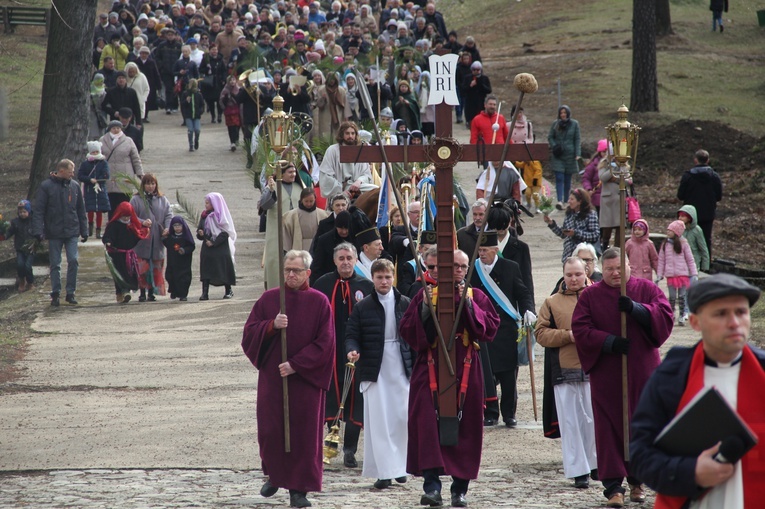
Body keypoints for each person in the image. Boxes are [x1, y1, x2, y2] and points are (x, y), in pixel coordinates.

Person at [630, 274, 763, 509]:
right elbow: (641, 455)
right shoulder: (670, 377)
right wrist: (690, 472)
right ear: (695, 322)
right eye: (721, 314)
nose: (734, 322)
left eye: (741, 312)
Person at [571, 247, 674, 508]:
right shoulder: (590, 295)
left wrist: (637, 309)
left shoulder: (647, 288)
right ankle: (613, 486)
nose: (615, 273)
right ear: (599, 270)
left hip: (641, 370)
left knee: (641, 424)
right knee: (608, 428)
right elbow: (581, 328)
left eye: (619, 268)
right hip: (607, 374)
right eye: (609, 270)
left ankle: (638, 481)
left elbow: (664, 315)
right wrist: (609, 343)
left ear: (629, 266)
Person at [401, 249, 500, 508]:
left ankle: (459, 490)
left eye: (462, 266)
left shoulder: (475, 295)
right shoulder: (425, 294)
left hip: (466, 368)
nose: (457, 270)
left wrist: (466, 305)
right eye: (452, 265)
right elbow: (408, 332)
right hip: (429, 367)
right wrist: (425, 308)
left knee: (466, 428)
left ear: (467, 269)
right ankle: (432, 487)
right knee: (426, 425)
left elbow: (489, 327)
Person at [241, 250, 335, 509]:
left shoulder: (319, 302)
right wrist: (271, 326)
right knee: (272, 430)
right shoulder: (270, 299)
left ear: (308, 272)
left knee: (304, 435)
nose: (291, 275)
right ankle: (275, 474)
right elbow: (249, 333)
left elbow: (326, 343)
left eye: (296, 270)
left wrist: (296, 364)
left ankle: (298, 490)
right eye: (287, 270)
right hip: (273, 378)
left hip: (305, 381)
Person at [345, 258, 412, 489]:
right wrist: (353, 349)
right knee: (380, 420)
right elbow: (352, 333)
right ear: (372, 279)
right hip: (375, 365)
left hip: (400, 365)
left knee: (402, 418)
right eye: (379, 277)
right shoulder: (363, 306)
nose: (384, 281)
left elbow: (414, 334)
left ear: (393, 278)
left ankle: (400, 467)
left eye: (388, 277)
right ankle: (384, 471)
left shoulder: (405, 302)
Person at [536, 257, 597, 489]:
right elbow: (540, 334)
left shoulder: (599, 296)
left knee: (593, 420)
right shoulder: (552, 302)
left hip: (595, 367)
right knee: (571, 423)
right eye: (569, 274)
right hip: (565, 368)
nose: (573, 279)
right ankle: (578, 470)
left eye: (578, 274)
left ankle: (595, 464)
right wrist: (568, 335)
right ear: (563, 274)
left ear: (586, 273)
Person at [313, 242, 374, 469]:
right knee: (332, 397)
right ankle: (333, 440)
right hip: (329, 351)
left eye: (349, 258)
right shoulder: (322, 284)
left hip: (357, 352)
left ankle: (350, 449)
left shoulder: (366, 286)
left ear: (356, 259)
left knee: (355, 401)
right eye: (341, 258)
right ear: (335, 261)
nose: (346, 262)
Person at [469, 231, 535, 428]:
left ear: (496, 250)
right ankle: (490, 412)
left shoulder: (510, 267)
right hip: (483, 328)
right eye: (479, 250)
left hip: (506, 328)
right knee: (486, 373)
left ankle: (508, 413)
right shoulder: (473, 270)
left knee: (508, 375)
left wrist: (528, 310)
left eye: (486, 250)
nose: (482, 254)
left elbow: (522, 293)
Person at [31, 159, 88, 307]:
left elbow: (81, 210)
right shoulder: (46, 187)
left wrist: (84, 230)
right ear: (61, 171)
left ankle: (71, 292)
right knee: (55, 264)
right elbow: (39, 211)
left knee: (73, 260)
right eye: (70, 171)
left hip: (72, 231)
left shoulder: (74, 186)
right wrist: (38, 231)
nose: (73, 174)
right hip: (54, 231)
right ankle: (55, 292)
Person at [130, 174, 173, 302]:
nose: (150, 186)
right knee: (142, 266)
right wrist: (142, 222)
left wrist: (167, 228)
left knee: (156, 265)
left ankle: (152, 292)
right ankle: (142, 291)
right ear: (143, 185)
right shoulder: (136, 199)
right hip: (142, 239)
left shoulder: (162, 199)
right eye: (148, 184)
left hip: (157, 239)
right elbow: (131, 216)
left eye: (153, 183)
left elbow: (169, 215)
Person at [263, 163, 305, 290]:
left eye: (294, 172)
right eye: (289, 172)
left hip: (296, 231)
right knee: (275, 262)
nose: (293, 174)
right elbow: (264, 206)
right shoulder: (272, 186)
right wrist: (270, 191)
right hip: (276, 232)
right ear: (282, 174)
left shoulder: (299, 187)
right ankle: (275, 290)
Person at [677, 149, 722, 257]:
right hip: (707, 213)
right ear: (708, 160)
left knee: (687, 238)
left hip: (689, 215)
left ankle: (687, 261)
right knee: (706, 239)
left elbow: (680, 195)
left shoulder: (687, 176)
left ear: (695, 160)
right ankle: (705, 265)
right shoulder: (714, 176)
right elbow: (719, 196)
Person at [102, 202, 150, 303]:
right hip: (117, 254)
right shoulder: (114, 225)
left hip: (129, 255)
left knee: (129, 273)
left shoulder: (132, 224)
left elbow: (137, 234)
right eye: (124, 216)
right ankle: (122, 292)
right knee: (119, 274)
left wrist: (145, 231)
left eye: (128, 216)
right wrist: (108, 242)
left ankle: (126, 291)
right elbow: (107, 235)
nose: (126, 218)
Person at [656, 220, 698, 326]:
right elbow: (661, 260)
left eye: (670, 230)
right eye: (668, 230)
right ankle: (671, 314)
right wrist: (659, 274)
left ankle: (682, 314)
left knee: (682, 295)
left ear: (677, 232)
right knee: (672, 296)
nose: (668, 232)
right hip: (670, 275)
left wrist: (694, 273)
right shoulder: (665, 244)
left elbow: (690, 259)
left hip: (683, 275)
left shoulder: (684, 243)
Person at [318, 122, 373, 201]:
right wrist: (341, 190)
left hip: (359, 187)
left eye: (352, 133)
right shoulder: (332, 150)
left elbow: (366, 174)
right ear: (342, 134)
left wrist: (358, 182)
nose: (350, 136)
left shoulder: (359, 150)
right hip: (340, 189)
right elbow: (326, 175)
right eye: (347, 133)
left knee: (376, 190)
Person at [196, 192, 236, 300]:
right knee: (206, 269)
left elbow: (226, 232)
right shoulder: (204, 216)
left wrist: (214, 242)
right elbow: (200, 230)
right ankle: (205, 292)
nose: (206, 205)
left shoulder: (221, 216)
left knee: (223, 268)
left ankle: (228, 290)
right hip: (207, 248)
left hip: (220, 248)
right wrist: (200, 233)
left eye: (208, 203)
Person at [101, 120, 143, 218]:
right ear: (109, 129)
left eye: (118, 128)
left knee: (125, 204)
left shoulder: (128, 140)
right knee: (111, 206)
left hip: (125, 176)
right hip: (109, 176)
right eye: (113, 128)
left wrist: (140, 173)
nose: (116, 130)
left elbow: (135, 158)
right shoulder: (102, 140)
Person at [544, 188, 600, 262]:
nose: (569, 201)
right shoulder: (569, 215)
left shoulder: (591, 215)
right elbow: (563, 234)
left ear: (580, 201)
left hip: (584, 257)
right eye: (569, 199)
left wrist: (576, 233)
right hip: (568, 256)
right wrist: (551, 224)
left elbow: (594, 235)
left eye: (572, 199)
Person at [678, 204, 710, 322]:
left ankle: (693, 310)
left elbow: (703, 248)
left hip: (693, 265)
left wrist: (705, 265)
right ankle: (684, 311)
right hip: (681, 266)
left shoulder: (697, 231)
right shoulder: (678, 229)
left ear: (690, 217)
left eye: (684, 216)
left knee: (691, 289)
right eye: (679, 216)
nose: (681, 218)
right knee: (682, 291)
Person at [510, 106, 544, 212]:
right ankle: (516, 196)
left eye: (520, 112)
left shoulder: (528, 124)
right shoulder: (509, 124)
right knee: (515, 175)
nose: (519, 114)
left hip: (525, 152)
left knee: (525, 175)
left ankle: (525, 196)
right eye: (517, 112)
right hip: (513, 152)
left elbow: (530, 137)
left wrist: (526, 145)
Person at [547, 105, 581, 209]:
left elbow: (577, 139)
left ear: (568, 113)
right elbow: (550, 136)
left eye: (565, 113)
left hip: (570, 155)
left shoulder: (574, 124)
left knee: (567, 178)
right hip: (558, 155)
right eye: (561, 113)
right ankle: (559, 200)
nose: (563, 115)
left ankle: (566, 200)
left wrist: (577, 153)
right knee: (559, 177)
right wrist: (554, 146)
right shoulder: (555, 124)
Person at [310, 210, 354, 285]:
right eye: (341, 228)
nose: (344, 232)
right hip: (329, 281)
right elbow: (317, 266)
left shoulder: (355, 238)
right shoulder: (324, 240)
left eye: (346, 228)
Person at [77, 141, 111, 239]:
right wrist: (89, 180)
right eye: (93, 152)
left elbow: (106, 174)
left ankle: (98, 230)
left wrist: (99, 180)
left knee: (99, 210)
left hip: (100, 189)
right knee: (90, 209)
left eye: (96, 152)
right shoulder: (85, 164)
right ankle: (90, 228)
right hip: (89, 189)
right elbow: (80, 175)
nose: (95, 154)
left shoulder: (103, 163)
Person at [598, 156, 631, 251]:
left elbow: (629, 181)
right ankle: (604, 247)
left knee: (620, 227)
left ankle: (617, 250)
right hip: (607, 201)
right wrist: (614, 169)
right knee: (606, 228)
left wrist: (615, 179)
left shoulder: (624, 165)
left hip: (620, 200)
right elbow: (603, 177)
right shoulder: (604, 164)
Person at [2, 200, 35, 292]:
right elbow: (10, 231)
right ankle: (21, 280)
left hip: (30, 247)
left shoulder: (33, 221)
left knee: (28, 266)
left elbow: (38, 232)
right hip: (20, 247)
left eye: (24, 212)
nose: (22, 214)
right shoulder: (16, 222)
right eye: (20, 212)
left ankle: (30, 282)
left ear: (28, 211)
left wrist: (38, 239)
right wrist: (4, 236)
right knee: (20, 265)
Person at [283, 188, 329, 253]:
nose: (309, 204)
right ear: (301, 200)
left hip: (317, 249)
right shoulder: (291, 215)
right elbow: (287, 237)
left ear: (315, 200)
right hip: (298, 249)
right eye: (306, 201)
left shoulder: (324, 215)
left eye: (311, 201)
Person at [162, 216, 196, 302]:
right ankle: (174, 291)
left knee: (183, 280)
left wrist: (184, 250)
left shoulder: (186, 237)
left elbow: (191, 246)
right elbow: (165, 242)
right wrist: (164, 236)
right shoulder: (171, 237)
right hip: (172, 263)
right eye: (175, 226)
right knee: (170, 277)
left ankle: (183, 295)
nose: (177, 228)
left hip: (183, 264)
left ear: (183, 226)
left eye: (179, 225)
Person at [460, 61, 491, 129]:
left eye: (478, 70)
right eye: (474, 69)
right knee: (472, 124)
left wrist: (480, 84)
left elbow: (489, 90)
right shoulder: (467, 78)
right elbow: (463, 90)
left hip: (481, 103)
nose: (476, 71)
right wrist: (470, 85)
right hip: (470, 103)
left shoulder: (484, 78)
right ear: (471, 70)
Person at [581, 138, 607, 214]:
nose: (606, 154)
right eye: (604, 152)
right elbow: (586, 178)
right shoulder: (593, 165)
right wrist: (588, 189)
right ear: (600, 152)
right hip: (598, 196)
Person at [180, 78, 205, 151]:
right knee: (190, 130)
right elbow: (182, 105)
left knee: (197, 130)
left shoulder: (199, 94)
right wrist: (186, 101)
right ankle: (191, 144)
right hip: (188, 115)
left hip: (196, 115)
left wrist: (200, 112)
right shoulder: (185, 94)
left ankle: (196, 140)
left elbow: (202, 104)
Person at [218, 75, 241, 151]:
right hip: (228, 111)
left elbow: (240, 99)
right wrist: (225, 99)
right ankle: (232, 142)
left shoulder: (238, 89)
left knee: (237, 126)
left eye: (233, 80)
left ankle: (236, 139)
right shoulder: (225, 90)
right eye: (230, 80)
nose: (232, 82)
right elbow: (221, 101)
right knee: (230, 127)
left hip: (236, 110)